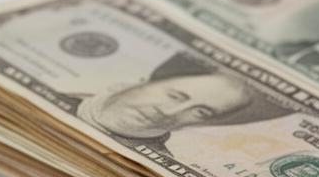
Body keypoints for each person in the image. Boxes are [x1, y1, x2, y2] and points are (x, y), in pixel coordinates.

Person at [68, 51, 292, 144]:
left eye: (200, 111)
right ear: (142, 82)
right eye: (175, 96)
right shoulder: (61, 98)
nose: (169, 112)